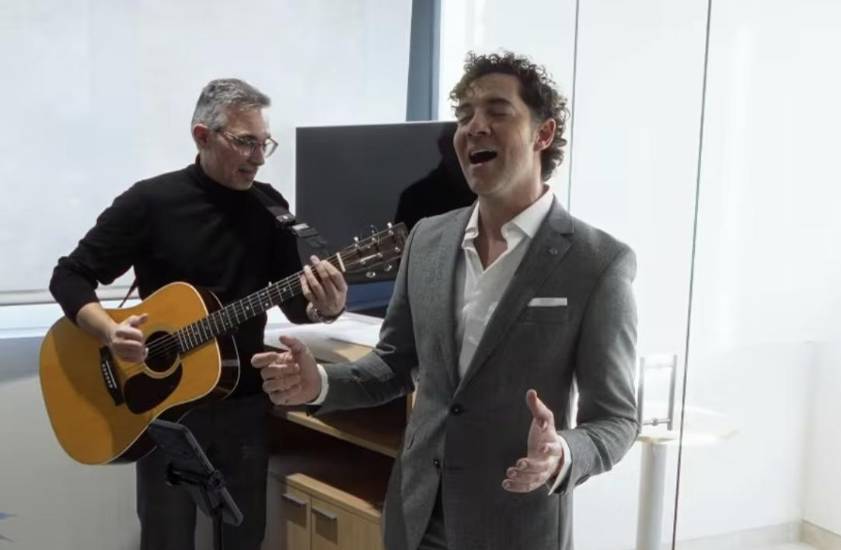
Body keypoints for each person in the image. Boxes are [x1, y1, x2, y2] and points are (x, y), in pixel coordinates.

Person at [252, 52, 638, 550]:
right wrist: (319, 384)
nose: (474, 127)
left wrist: (562, 453)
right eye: (464, 115)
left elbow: (616, 419)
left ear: (543, 135)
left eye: (497, 111)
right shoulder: (427, 240)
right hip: (415, 518)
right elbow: (392, 365)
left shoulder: (597, 262)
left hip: (513, 525)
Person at [48, 78, 347, 550]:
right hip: (164, 410)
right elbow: (69, 276)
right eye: (245, 142)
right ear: (202, 136)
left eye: (263, 142)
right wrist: (108, 330)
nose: (258, 157)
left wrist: (325, 307)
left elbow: (295, 299)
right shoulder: (150, 202)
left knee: (244, 538)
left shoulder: (270, 207)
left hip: (243, 402)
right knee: (166, 541)